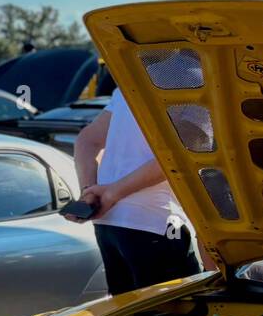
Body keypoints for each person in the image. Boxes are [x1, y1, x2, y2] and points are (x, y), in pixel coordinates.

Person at [70, 84, 199, 293]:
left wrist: (89, 193)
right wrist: (112, 192)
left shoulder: (129, 79)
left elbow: (86, 140)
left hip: (108, 222)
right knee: (182, 315)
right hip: (154, 221)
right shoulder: (194, 80)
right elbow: (178, 156)